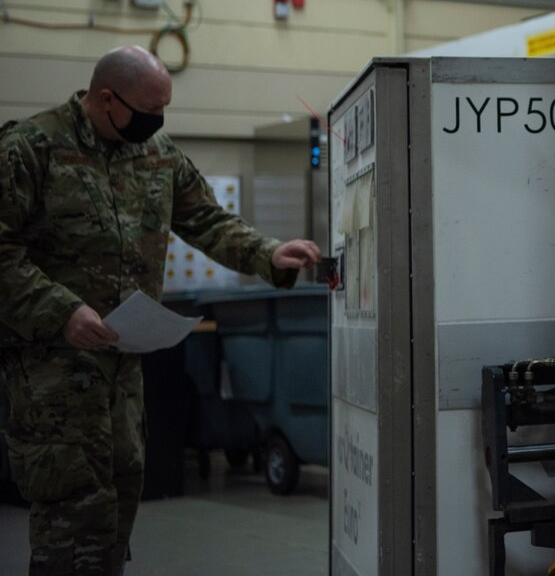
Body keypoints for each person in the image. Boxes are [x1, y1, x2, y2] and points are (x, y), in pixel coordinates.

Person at [0, 45, 322, 574]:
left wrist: (267, 254)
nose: (158, 121)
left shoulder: (157, 153)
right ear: (106, 99)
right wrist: (61, 310)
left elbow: (208, 222)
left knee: (120, 500)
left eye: (164, 109)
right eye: (149, 110)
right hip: (53, 374)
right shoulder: (31, 149)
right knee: (71, 517)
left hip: (124, 366)